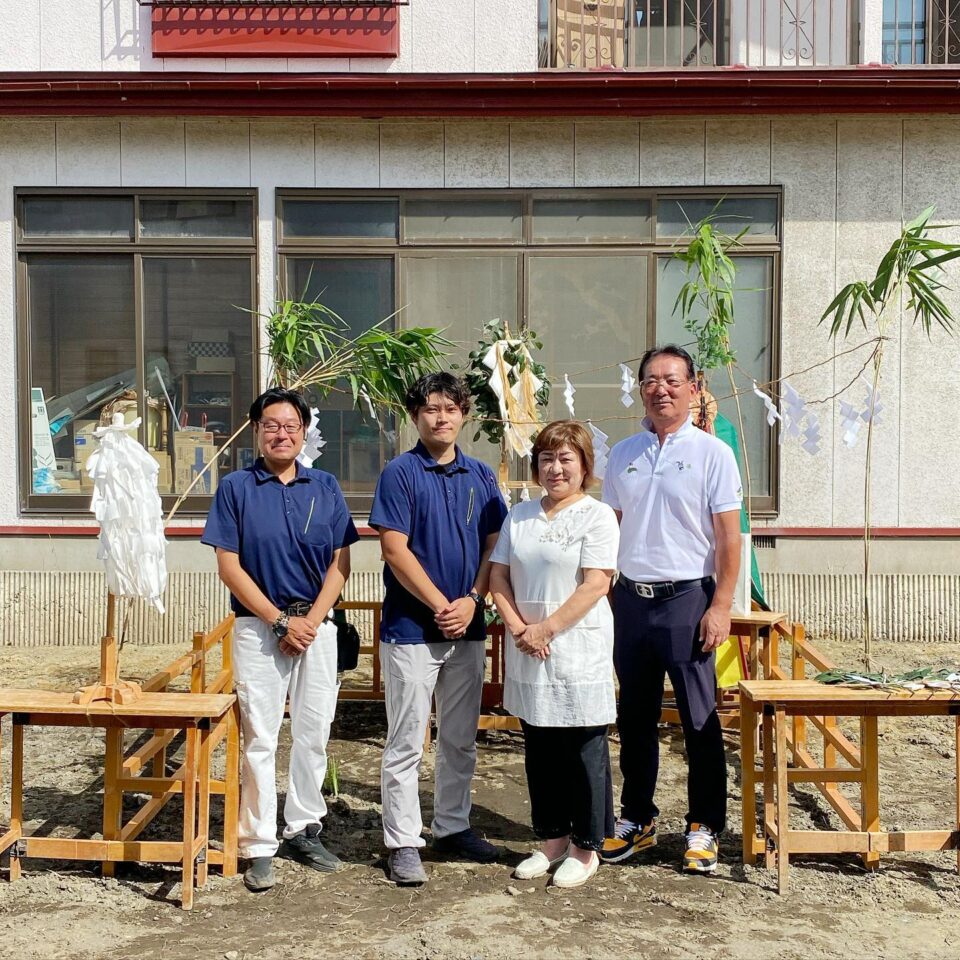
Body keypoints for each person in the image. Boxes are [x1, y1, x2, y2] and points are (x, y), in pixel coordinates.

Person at [202, 387, 358, 892]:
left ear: (305, 430)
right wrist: (277, 621)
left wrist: (310, 620)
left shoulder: (326, 486)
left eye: (291, 424)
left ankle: (304, 827)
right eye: (271, 424)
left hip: (318, 627)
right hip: (259, 627)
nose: (282, 433)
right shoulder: (236, 488)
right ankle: (260, 841)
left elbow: (341, 563)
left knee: (314, 732)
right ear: (255, 431)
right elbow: (230, 565)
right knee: (260, 738)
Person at [599, 345, 742, 874]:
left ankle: (703, 826)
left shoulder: (712, 454)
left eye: (672, 380)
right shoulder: (623, 453)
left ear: (693, 387)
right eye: (651, 380)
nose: (661, 388)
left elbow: (730, 540)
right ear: (641, 389)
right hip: (631, 600)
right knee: (633, 717)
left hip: (689, 600)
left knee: (699, 718)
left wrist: (721, 605)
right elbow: (608, 526)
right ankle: (637, 820)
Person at [370, 372, 508, 885]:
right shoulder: (400, 473)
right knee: (407, 738)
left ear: (465, 414)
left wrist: (472, 600)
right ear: (415, 416)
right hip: (410, 629)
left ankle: (452, 826)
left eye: (451, 408)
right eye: (431, 409)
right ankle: (403, 840)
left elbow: (496, 545)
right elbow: (394, 548)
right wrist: (441, 605)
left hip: (468, 627)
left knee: (458, 739)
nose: (441, 417)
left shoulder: (481, 477)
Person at [489, 420, 619, 889]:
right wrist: (520, 627)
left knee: (583, 747)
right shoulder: (520, 514)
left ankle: (586, 849)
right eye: (547, 458)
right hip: (528, 642)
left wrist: (546, 628)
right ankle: (551, 840)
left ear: (585, 465)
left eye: (566, 458)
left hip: (574, 641)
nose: (555, 467)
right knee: (540, 745)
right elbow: (498, 576)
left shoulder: (597, 515)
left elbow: (596, 583)